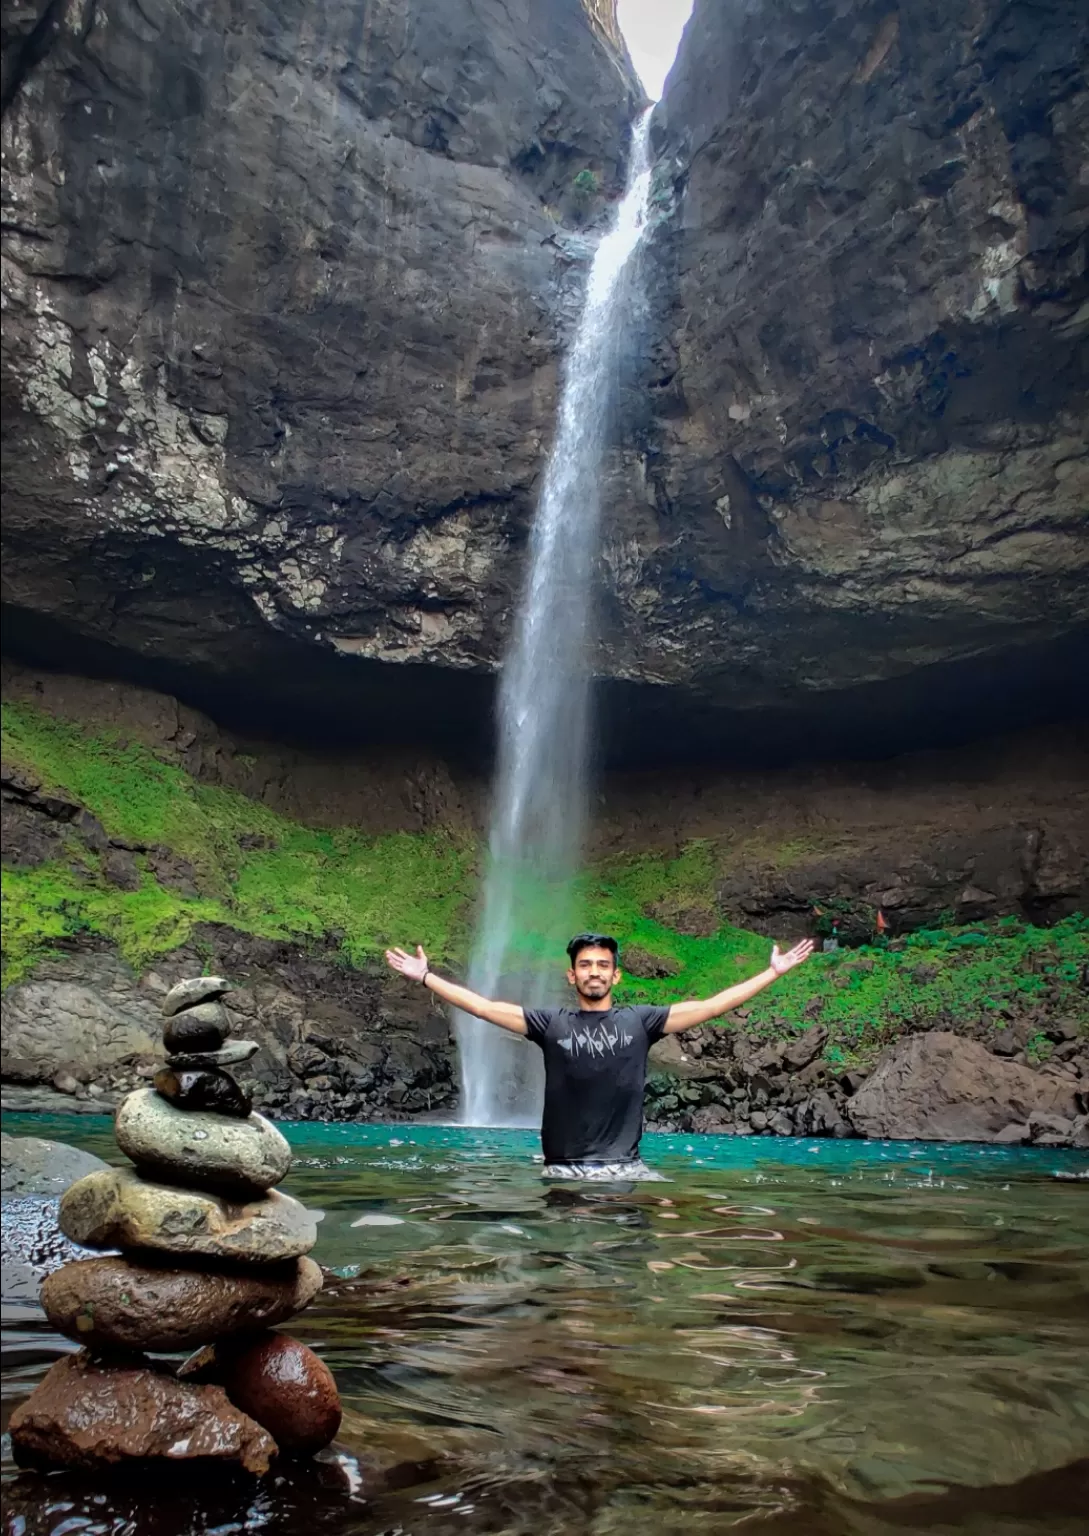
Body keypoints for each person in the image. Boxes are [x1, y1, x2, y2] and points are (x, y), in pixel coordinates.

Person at [384, 930, 813, 1181]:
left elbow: (714, 1005)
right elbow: (482, 1007)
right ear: (572, 974)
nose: (594, 971)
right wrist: (426, 977)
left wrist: (771, 973)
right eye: (586, 964)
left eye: (602, 965)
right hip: (562, 1171)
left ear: (615, 974)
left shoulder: (641, 1022)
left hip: (626, 1170)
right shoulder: (550, 1024)